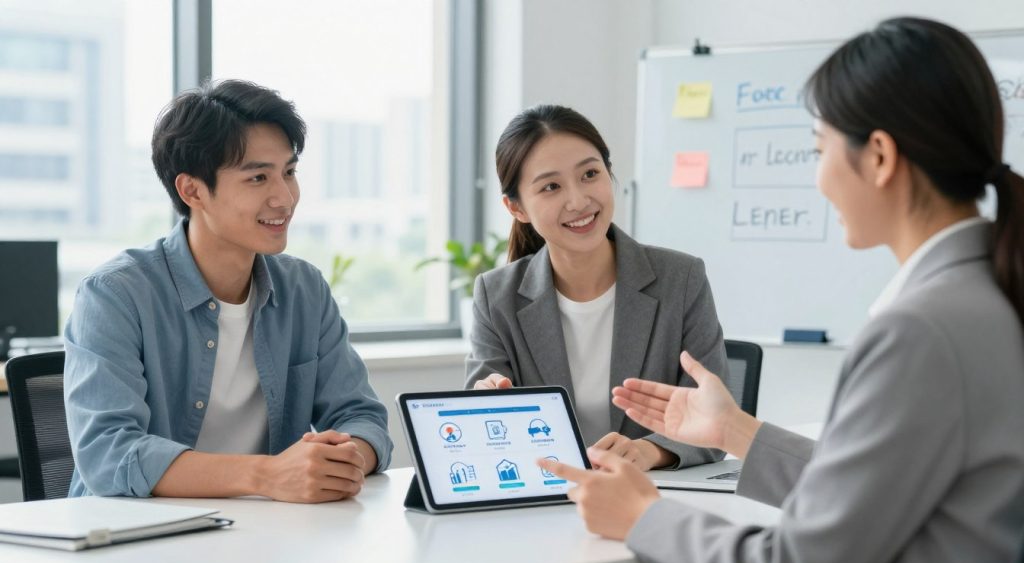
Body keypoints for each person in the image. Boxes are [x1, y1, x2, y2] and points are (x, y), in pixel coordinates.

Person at [539, 17, 1024, 563]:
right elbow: (871, 493)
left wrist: (644, 517)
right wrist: (735, 430)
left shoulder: (919, 331)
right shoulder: (988, 292)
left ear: (880, 158)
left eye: (819, 150)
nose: (818, 179)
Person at [64, 79, 393, 503]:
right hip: (135, 538)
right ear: (192, 190)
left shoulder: (304, 289)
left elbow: (361, 417)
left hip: (265, 534)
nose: (285, 198)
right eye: (258, 177)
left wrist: (343, 460)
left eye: (289, 173)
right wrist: (268, 475)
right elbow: (109, 454)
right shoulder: (114, 295)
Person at [466, 105, 732, 471]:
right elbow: (482, 431)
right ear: (516, 208)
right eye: (551, 187)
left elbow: (715, 419)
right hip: (544, 504)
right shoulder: (495, 296)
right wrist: (484, 403)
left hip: (653, 499)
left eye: (590, 174)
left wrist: (648, 452)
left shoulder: (681, 279)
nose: (578, 201)